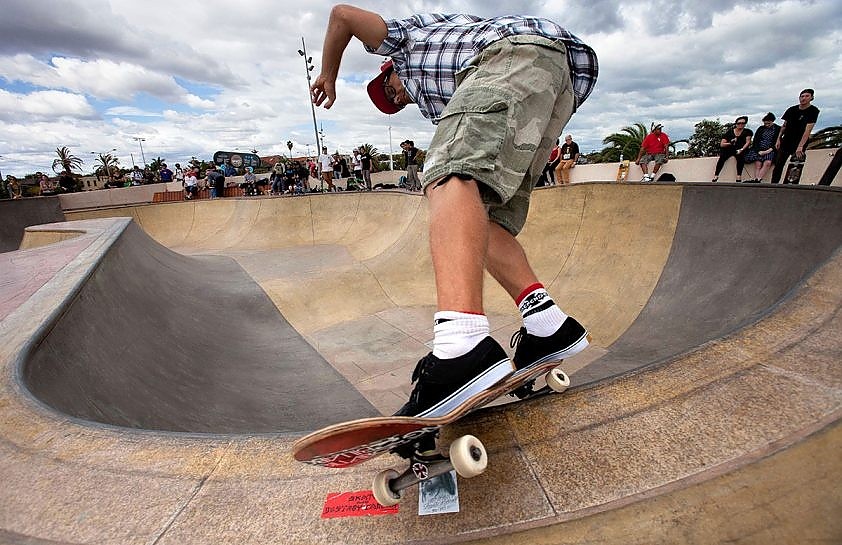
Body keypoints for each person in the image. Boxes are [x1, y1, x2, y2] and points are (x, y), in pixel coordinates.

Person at [311, 5, 596, 417]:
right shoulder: (443, 98)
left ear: (390, 67)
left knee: (447, 172)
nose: (395, 95)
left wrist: (329, 74)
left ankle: (461, 349)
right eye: (394, 101)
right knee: (485, 216)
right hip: (558, 82)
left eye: (389, 87)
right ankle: (548, 325)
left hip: (509, 55)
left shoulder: (405, 42)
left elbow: (342, 16)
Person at [771, 89, 820, 184]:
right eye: (802, 96)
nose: (804, 98)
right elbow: (784, 126)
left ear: (811, 98)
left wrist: (800, 146)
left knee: (796, 165)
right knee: (779, 164)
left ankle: (790, 184)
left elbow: (808, 130)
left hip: (799, 141)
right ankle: (774, 184)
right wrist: (778, 139)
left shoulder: (813, 111)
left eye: (806, 96)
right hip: (787, 140)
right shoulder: (792, 109)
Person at [711, 116, 753, 183]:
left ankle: (738, 176)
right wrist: (730, 143)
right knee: (722, 157)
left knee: (740, 158)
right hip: (730, 148)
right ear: (736, 124)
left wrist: (741, 149)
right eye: (739, 123)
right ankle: (716, 175)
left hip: (741, 149)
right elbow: (722, 144)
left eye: (743, 123)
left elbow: (748, 142)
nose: (740, 125)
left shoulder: (748, 132)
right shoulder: (730, 132)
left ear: (745, 124)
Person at [745, 113, 780, 183]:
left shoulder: (777, 129)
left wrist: (768, 151)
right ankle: (757, 179)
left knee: (767, 163)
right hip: (759, 149)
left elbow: (778, 142)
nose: (767, 125)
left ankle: (758, 179)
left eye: (768, 123)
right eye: (765, 123)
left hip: (770, 149)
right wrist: (758, 151)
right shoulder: (761, 128)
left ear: (772, 121)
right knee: (758, 164)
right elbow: (756, 140)